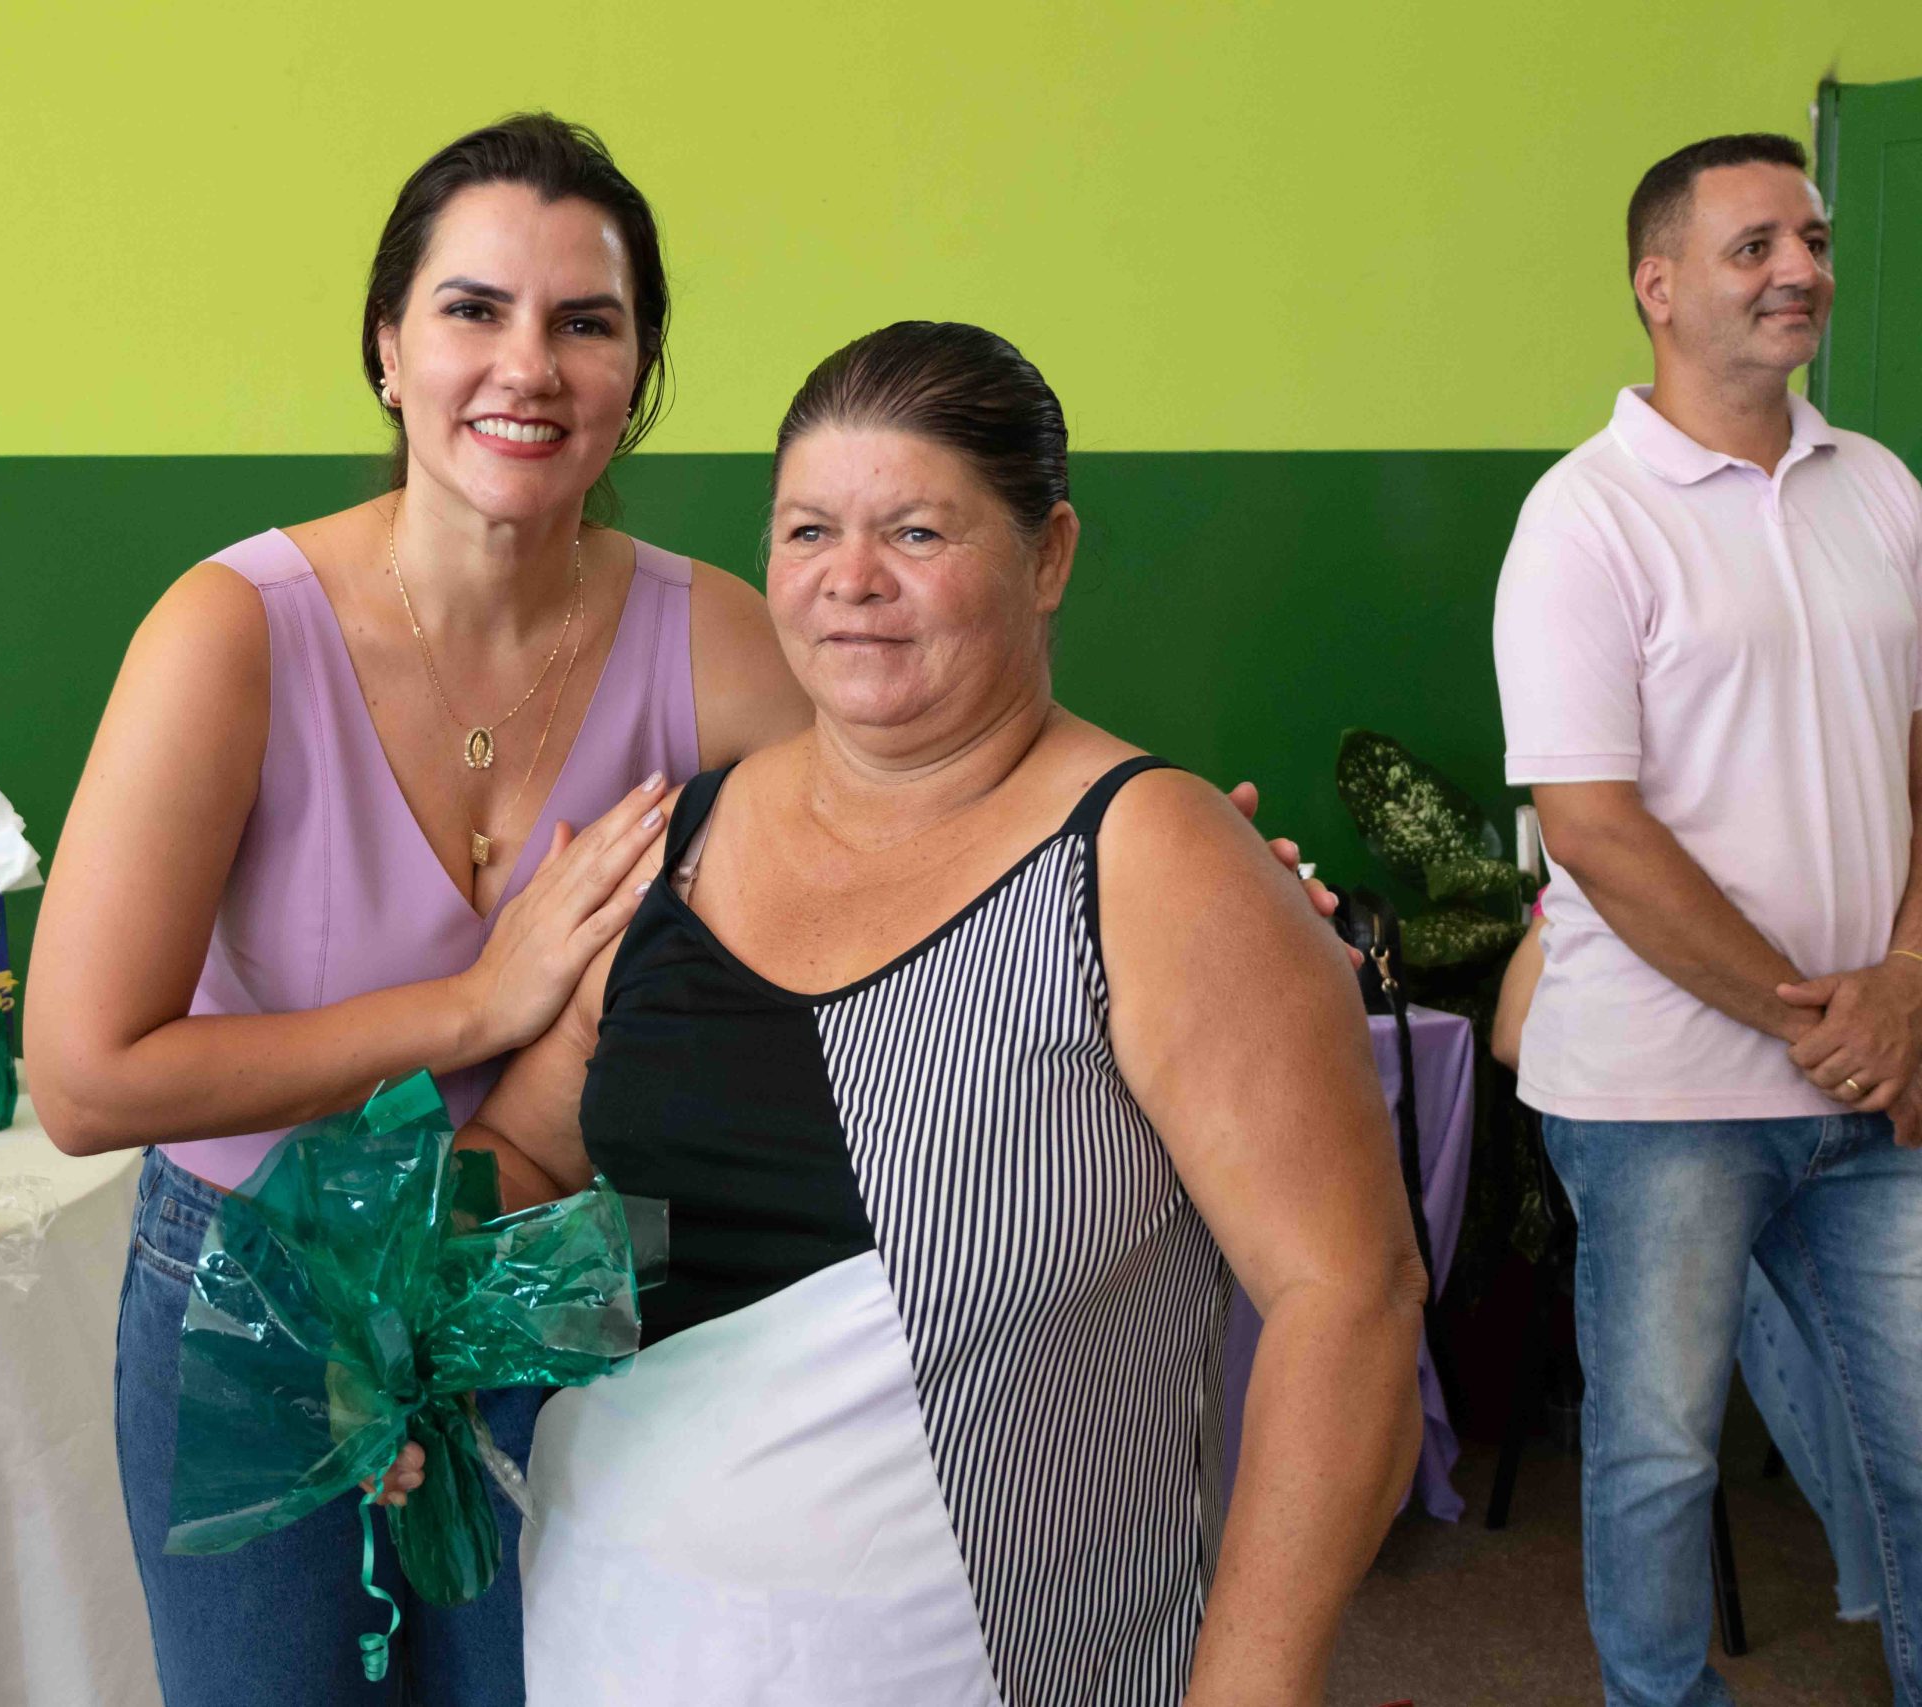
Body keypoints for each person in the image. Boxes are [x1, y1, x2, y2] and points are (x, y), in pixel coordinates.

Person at [31, 116, 1333, 1707]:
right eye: (473, 309)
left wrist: (1207, 875)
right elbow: (84, 1078)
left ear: (638, 372)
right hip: (267, 1276)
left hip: (560, 1246)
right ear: (386, 346)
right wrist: (473, 1006)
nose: (529, 365)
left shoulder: (715, 631)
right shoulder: (231, 630)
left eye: (586, 322)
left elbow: (951, 768)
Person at [442, 322, 1426, 1706]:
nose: (850, 580)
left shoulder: (1151, 860)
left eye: (915, 531)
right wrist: (401, 1315)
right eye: (808, 531)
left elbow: (1351, 1304)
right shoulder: (674, 843)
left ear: (1049, 555)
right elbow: (530, 1162)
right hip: (622, 1637)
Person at [1491, 131, 1922, 1707]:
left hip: (1875, 1081)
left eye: (1814, 238)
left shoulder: (1882, 486)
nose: (1801, 267)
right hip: (1666, 1096)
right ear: (1657, 286)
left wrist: (1908, 977)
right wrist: (1829, 1014)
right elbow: (1595, 829)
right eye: (1755, 246)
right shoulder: (1585, 518)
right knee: (1659, 1457)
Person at [1494, 913, 1890, 1634]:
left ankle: (1879, 1581)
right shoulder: (1584, 902)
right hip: (1676, 1127)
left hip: (1847, 1112)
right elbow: (1511, 1036)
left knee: (1890, 1393)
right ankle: (1867, 1574)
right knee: (1672, 1434)